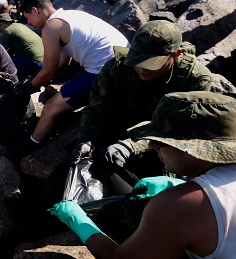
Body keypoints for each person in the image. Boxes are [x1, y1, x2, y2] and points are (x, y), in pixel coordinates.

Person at [50, 91, 236, 259]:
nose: (151, 147)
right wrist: (180, 183)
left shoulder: (181, 205)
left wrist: (79, 221)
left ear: (191, 149)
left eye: (159, 143)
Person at [73, 21, 211, 187]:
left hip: (160, 146)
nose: (142, 69)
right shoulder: (117, 67)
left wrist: (131, 145)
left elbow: (178, 129)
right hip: (119, 128)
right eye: (138, 60)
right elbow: (97, 109)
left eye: (151, 63)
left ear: (175, 55)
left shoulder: (194, 80)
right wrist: (87, 141)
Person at [13, 0, 129, 154]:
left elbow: (50, 71)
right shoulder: (70, 15)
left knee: (50, 107)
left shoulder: (51, 28)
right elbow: (63, 62)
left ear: (35, 10)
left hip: (105, 71)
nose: (30, 23)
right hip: (124, 61)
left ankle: (29, 148)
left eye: (28, 17)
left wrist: (26, 88)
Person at [0, 13, 44, 79]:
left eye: (0, 25)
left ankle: (12, 80)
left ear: (8, 22)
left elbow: (1, 53)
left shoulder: (7, 31)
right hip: (45, 61)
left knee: (3, 60)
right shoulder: (19, 25)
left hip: (36, 63)